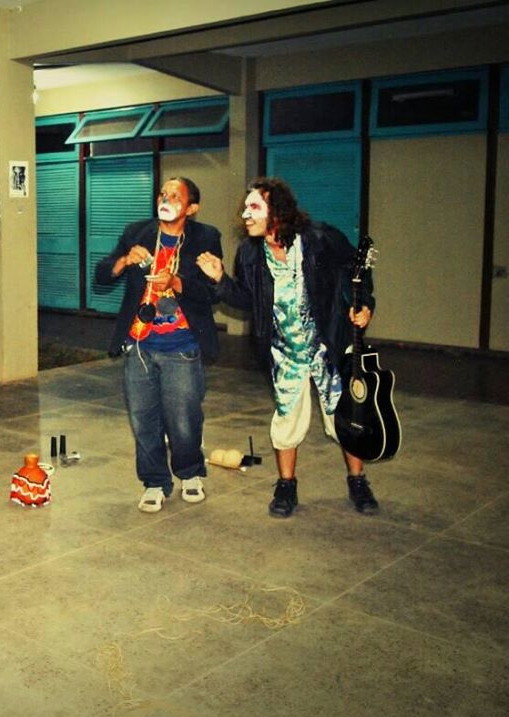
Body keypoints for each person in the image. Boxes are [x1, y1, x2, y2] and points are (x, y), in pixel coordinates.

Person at [196, 177, 379, 518]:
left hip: (327, 344)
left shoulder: (320, 239)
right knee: (286, 419)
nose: (245, 215)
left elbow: (356, 267)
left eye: (254, 207)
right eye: (245, 208)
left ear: (277, 211)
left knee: (344, 418)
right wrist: (220, 279)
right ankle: (286, 485)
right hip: (285, 351)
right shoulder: (250, 253)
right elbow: (248, 301)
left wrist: (363, 303)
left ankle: (358, 481)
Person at [94, 177, 222, 513]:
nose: (165, 199)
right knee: (143, 418)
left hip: (182, 345)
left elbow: (211, 292)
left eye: (175, 196)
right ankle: (154, 481)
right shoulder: (136, 232)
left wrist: (176, 282)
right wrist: (124, 260)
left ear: (191, 208)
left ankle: (190, 473)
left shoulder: (206, 237)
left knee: (184, 419)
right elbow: (102, 274)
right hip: (139, 344)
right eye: (163, 193)